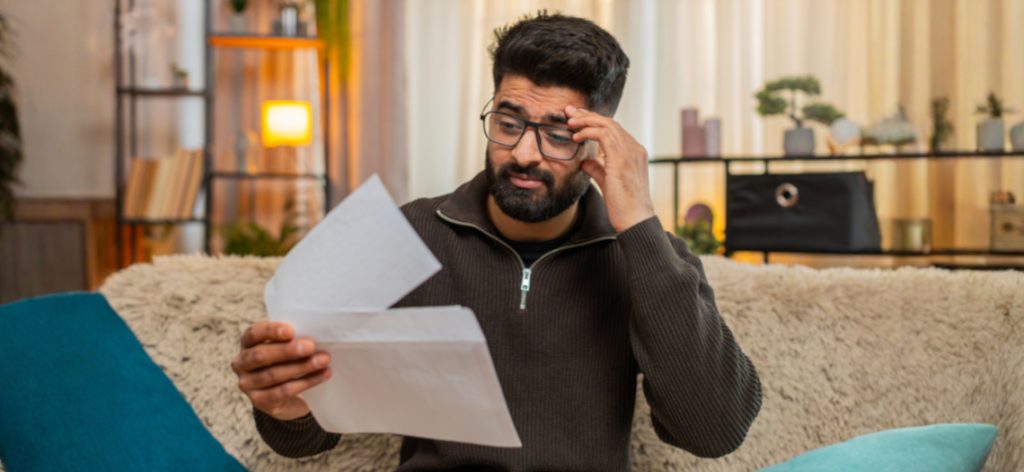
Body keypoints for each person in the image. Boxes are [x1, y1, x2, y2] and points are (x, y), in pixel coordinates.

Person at [231, 12, 762, 470]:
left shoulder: (648, 258)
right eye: (509, 122)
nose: (525, 153)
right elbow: (305, 438)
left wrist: (639, 224)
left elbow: (713, 432)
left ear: (601, 141)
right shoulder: (407, 231)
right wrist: (286, 404)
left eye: (558, 134)